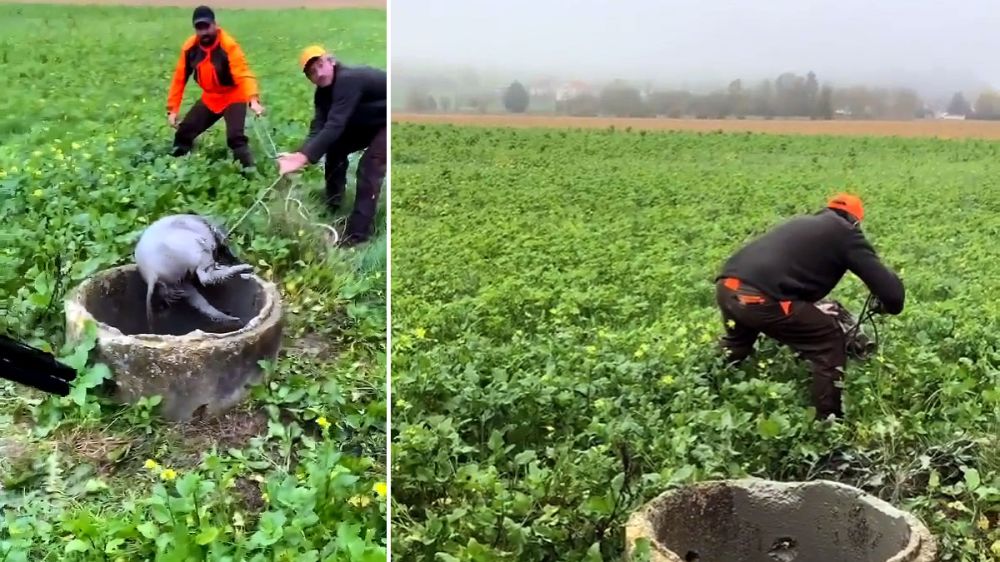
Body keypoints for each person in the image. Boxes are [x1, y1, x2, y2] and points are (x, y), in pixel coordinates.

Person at [713, 193, 905, 420]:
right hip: (760, 297)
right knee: (828, 340)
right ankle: (829, 423)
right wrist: (890, 302)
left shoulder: (803, 224)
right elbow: (892, 294)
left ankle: (706, 384)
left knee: (737, 343)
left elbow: (785, 270)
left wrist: (809, 309)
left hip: (727, 287)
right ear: (855, 221)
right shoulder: (845, 233)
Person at [276, 45, 387, 247]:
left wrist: (303, 159)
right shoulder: (322, 94)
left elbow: (335, 125)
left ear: (331, 61)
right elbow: (319, 126)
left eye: (320, 65)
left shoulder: (348, 80)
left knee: (369, 168)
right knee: (335, 148)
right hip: (372, 120)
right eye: (312, 72)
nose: (318, 73)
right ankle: (333, 204)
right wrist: (299, 154)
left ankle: (357, 237)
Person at [166, 5, 264, 171]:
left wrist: (253, 99)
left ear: (215, 24)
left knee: (235, 138)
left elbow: (243, 73)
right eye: (199, 28)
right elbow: (179, 78)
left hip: (234, 95)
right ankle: (176, 166)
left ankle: (249, 174)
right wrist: (173, 109)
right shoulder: (190, 48)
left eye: (207, 26)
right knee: (184, 132)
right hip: (211, 97)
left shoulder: (228, 45)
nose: (204, 32)